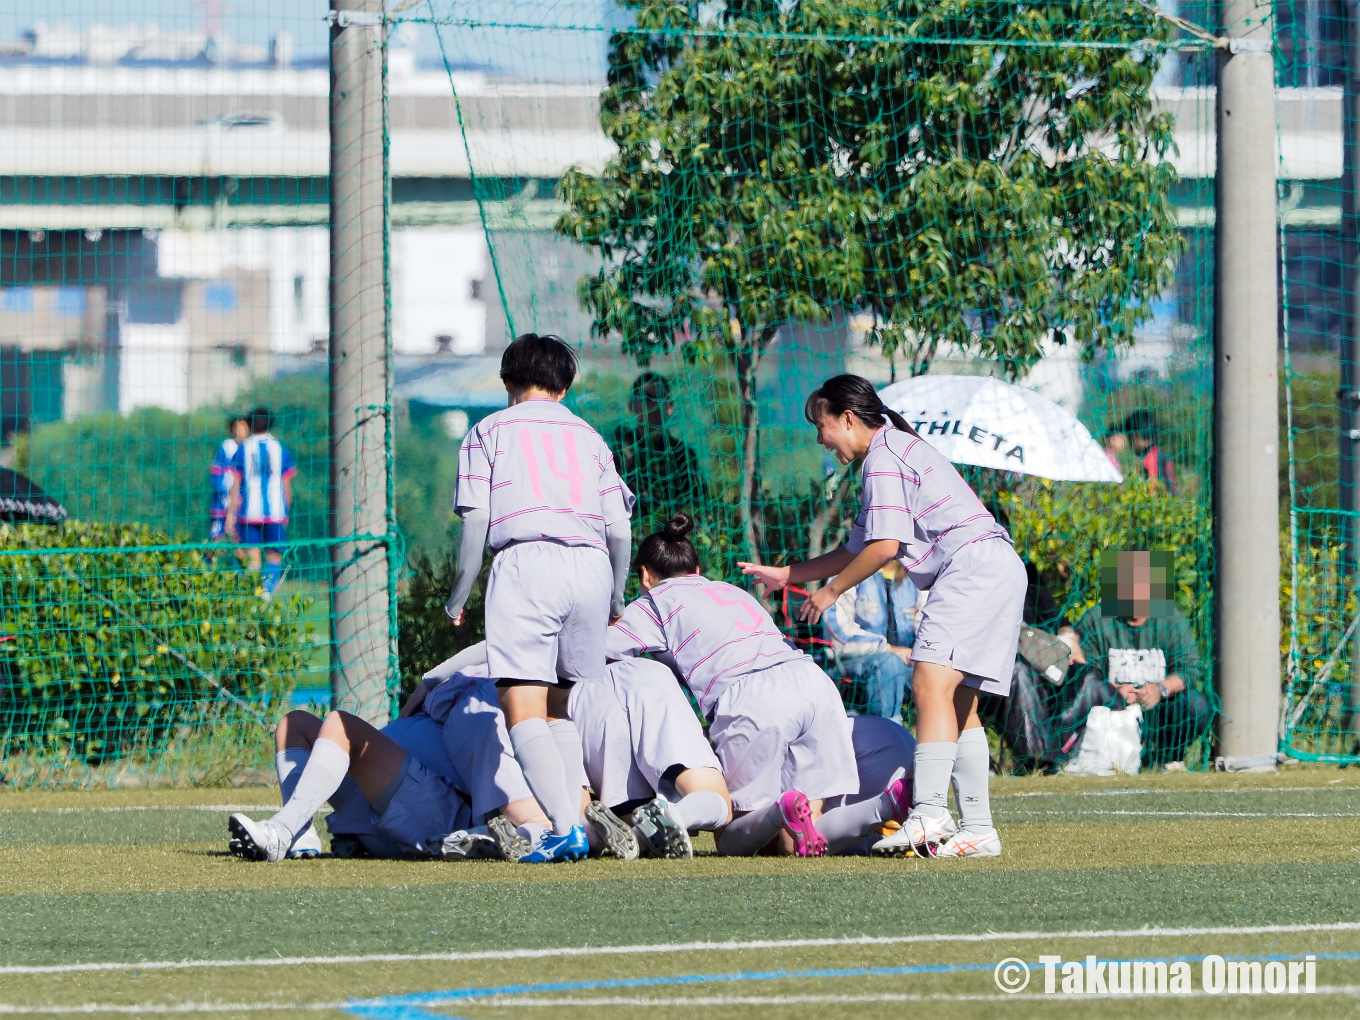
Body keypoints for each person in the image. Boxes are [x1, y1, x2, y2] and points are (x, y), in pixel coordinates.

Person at [741, 374, 1026, 859]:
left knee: (928, 683)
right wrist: (786, 574)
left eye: (822, 425)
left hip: (972, 568)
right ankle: (978, 828)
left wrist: (830, 593)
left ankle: (930, 811)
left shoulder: (884, 457)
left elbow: (885, 548)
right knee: (961, 704)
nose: (819, 439)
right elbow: (856, 547)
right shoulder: (895, 450)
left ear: (847, 418)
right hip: (997, 566)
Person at [443, 333, 634, 864]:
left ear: (507, 380)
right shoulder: (591, 438)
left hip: (527, 563)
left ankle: (565, 829)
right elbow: (620, 530)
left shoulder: (488, 431)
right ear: (565, 385)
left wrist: (457, 597)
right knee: (559, 707)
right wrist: (617, 595)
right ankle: (570, 821)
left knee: (522, 707)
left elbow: (477, 521)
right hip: (592, 566)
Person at [608, 514, 860, 857]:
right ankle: (887, 807)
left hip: (753, 695)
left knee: (731, 835)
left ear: (645, 576)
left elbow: (595, 652)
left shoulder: (652, 603)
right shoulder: (731, 590)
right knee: (797, 838)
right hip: (812, 681)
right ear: (697, 571)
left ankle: (778, 810)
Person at [569, 656, 733, 858]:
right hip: (645, 673)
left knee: (626, 810)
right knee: (716, 800)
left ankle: (595, 833)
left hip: (578, 689)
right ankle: (675, 815)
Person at [1070, 599, 1213, 770]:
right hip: (1114, 711)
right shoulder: (1096, 618)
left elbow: (1189, 669)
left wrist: (1160, 689)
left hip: (1160, 710)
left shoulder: (1170, 618)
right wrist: (1114, 690)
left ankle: (1166, 760)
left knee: (1197, 705)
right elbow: (1084, 671)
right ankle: (1098, 761)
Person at [823, 561, 918, 723]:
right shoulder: (845, 573)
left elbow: (927, 622)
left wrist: (922, 653)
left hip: (908, 661)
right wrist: (885, 648)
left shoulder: (917, 574)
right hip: (850, 662)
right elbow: (839, 635)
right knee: (889, 663)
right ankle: (888, 733)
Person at [611, 372, 707, 528]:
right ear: (631, 405)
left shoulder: (684, 456)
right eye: (646, 397)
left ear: (670, 406)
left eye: (660, 397)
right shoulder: (618, 454)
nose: (654, 404)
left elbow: (697, 507)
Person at [225, 407, 296, 598]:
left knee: (252, 553)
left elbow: (235, 484)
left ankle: (253, 592)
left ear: (249, 424)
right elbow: (286, 485)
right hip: (276, 512)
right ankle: (267, 592)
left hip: (249, 511)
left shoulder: (243, 449)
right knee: (274, 554)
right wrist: (286, 510)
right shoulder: (280, 448)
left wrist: (231, 513)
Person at [1105, 410, 1177, 495]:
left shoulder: (1150, 459)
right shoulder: (1160, 453)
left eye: (1129, 437)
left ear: (1136, 436)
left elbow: (1153, 491)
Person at [209, 415, 248, 545]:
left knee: (239, 540)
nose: (241, 431)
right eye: (238, 427)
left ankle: (239, 565)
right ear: (232, 430)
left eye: (244, 427)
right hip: (222, 502)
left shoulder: (251, 448)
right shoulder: (226, 447)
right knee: (216, 539)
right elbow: (216, 473)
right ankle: (208, 564)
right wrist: (226, 496)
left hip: (243, 505)